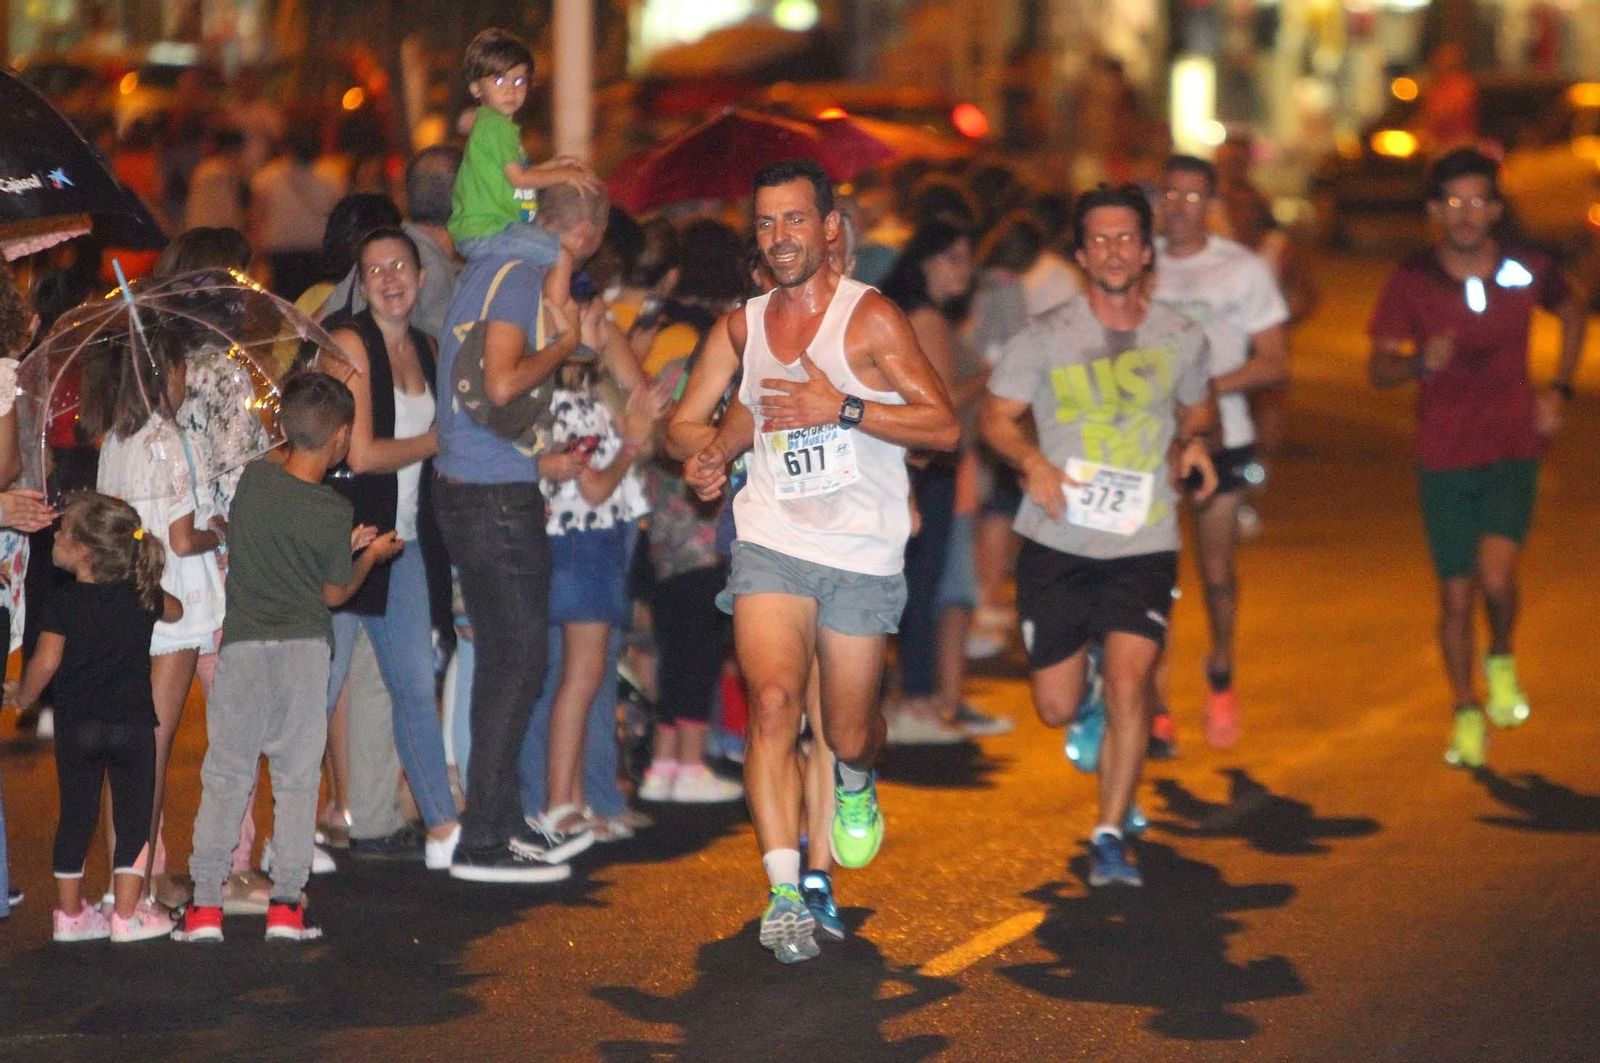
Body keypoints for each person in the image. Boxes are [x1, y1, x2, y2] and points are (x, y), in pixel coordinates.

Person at [667, 159, 958, 962]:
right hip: (773, 539)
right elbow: (686, 422)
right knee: (771, 700)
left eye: (795, 219)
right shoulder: (744, 326)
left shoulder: (872, 320)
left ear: (830, 228)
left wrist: (844, 406)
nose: (780, 236)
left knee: (848, 727)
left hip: (862, 550)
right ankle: (790, 888)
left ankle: (857, 780)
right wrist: (704, 456)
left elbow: (943, 428)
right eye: (765, 223)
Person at [980, 184, 1217, 889]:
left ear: (1146, 252)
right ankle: (1081, 697)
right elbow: (995, 416)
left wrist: (1195, 446)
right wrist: (1031, 462)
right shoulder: (1045, 336)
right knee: (1053, 707)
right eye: (1100, 240)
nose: (1115, 250)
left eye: (1127, 239)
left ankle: (1109, 832)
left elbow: (1197, 411)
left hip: (1143, 539)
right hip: (1057, 538)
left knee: (1131, 682)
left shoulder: (1181, 335)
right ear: (1082, 254)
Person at [1367, 148, 1587, 768]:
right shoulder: (1413, 279)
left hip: (1513, 446)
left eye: (1477, 201)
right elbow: (1378, 369)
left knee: (1496, 577)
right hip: (1442, 454)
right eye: (1452, 202)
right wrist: (1416, 362)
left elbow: (1572, 308)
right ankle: (1466, 709)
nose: (1465, 214)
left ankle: (1503, 657)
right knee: (1456, 597)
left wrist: (1559, 389)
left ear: (1495, 208)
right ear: (1435, 209)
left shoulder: (1519, 270)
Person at [175, 372, 401, 943]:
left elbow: (281, 534)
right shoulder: (332, 508)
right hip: (302, 653)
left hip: (245, 649)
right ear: (342, 437)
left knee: (227, 774)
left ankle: (204, 906)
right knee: (298, 779)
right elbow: (332, 592)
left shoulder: (253, 481)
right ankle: (285, 906)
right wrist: (367, 557)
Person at [432, 181, 606, 883]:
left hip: (479, 483)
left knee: (508, 659)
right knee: (519, 659)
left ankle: (499, 820)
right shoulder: (520, 276)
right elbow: (501, 384)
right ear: (579, 236)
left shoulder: (489, 266)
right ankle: (484, 837)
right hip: (489, 493)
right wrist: (563, 340)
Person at [321, 228, 459, 867]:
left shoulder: (428, 349)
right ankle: (286, 839)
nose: (389, 277)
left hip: (402, 543)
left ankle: (443, 828)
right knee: (318, 693)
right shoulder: (349, 343)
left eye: (399, 265)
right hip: (347, 541)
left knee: (414, 686)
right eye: (374, 269)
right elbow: (361, 452)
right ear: (360, 282)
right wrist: (439, 440)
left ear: (421, 276)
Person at [89, 320, 228, 906]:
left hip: (124, 597)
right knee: (154, 746)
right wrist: (218, 529)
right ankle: (140, 889)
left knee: (123, 745)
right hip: (176, 604)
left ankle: (128, 879)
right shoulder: (176, 441)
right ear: (165, 374)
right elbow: (182, 536)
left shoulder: (113, 445)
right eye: (180, 369)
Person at [1153, 155, 1290, 751]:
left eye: (1192, 197)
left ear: (1211, 202)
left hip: (1222, 437)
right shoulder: (1137, 262)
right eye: (1170, 194)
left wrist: (1209, 388)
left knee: (1215, 574)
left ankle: (1221, 672)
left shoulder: (1241, 269)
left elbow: (1274, 360)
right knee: (1152, 577)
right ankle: (1154, 705)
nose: (1180, 207)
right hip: (1149, 443)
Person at [11, 493, 182, 942]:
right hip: (132, 725)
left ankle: (69, 916)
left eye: (64, 530)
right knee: (132, 817)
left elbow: (45, 662)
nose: (56, 534)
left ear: (85, 551)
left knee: (76, 817)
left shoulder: (63, 601)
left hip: (77, 726)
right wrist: (148, 586)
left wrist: (22, 696)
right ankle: (127, 915)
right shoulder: (141, 596)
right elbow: (177, 611)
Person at [878, 221, 982, 744]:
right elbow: (939, 404)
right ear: (927, 261)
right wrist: (987, 378)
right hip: (926, 467)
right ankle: (916, 699)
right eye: (954, 257)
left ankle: (909, 696)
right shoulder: (926, 319)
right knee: (922, 584)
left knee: (914, 583)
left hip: (909, 463)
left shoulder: (910, 314)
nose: (965, 270)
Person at [448, 28, 595, 267]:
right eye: (499, 80)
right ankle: (556, 305)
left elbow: (509, 173)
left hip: (489, 229)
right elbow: (519, 178)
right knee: (562, 254)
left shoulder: (492, 125)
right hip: (491, 230)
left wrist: (553, 166)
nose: (511, 89)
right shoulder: (496, 128)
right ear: (476, 88)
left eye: (519, 81)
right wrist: (566, 175)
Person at [320, 149, 464, 341]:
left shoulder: (381, 247)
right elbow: (436, 360)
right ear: (464, 200)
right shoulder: (433, 271)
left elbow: (320, 322)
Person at [251, 122, 343, 301]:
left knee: (286, 308)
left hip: (281, 254)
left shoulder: (266, 177)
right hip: (318, 252)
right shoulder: (332, 176)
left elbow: (257, 220)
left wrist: (256, 256)